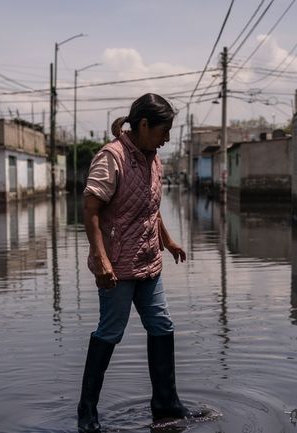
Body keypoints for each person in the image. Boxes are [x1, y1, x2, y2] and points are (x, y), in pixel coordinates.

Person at [78, 93, 197, 433]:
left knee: (162, 325)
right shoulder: (111, 157)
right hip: (117, 266)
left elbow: (150, 207)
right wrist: (100, 259)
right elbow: (91, 209)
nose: (167, 138)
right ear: (143, 125)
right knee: (110, 332)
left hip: (149, 262)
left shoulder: (153, 159)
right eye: (164, 130)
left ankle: (165, 404)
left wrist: (167, 240)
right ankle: (87, 413)